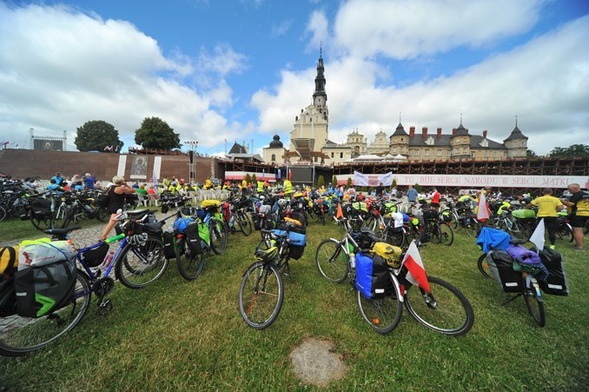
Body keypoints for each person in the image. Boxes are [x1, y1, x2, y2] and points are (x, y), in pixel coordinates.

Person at [100, 176, 136, 241]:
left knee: (124, 221)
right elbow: (133, 191)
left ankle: (126, 234)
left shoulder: (111, 187)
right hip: (117, 208)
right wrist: (126, 185)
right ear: (121, 181)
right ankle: (103, 237)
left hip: (111, 206)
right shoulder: (120, 189)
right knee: (111, 223)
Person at [560, 183, 589, 250]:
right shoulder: (586, 194)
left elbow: (570, 205)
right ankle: (578, 243)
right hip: (586, 213)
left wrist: (562, 201)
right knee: (579, 230)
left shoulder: (577, 195)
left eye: (570, 189)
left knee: (576, 230)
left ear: (575, 188)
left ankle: (580, 247)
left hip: (578, 214)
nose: (569, 191)